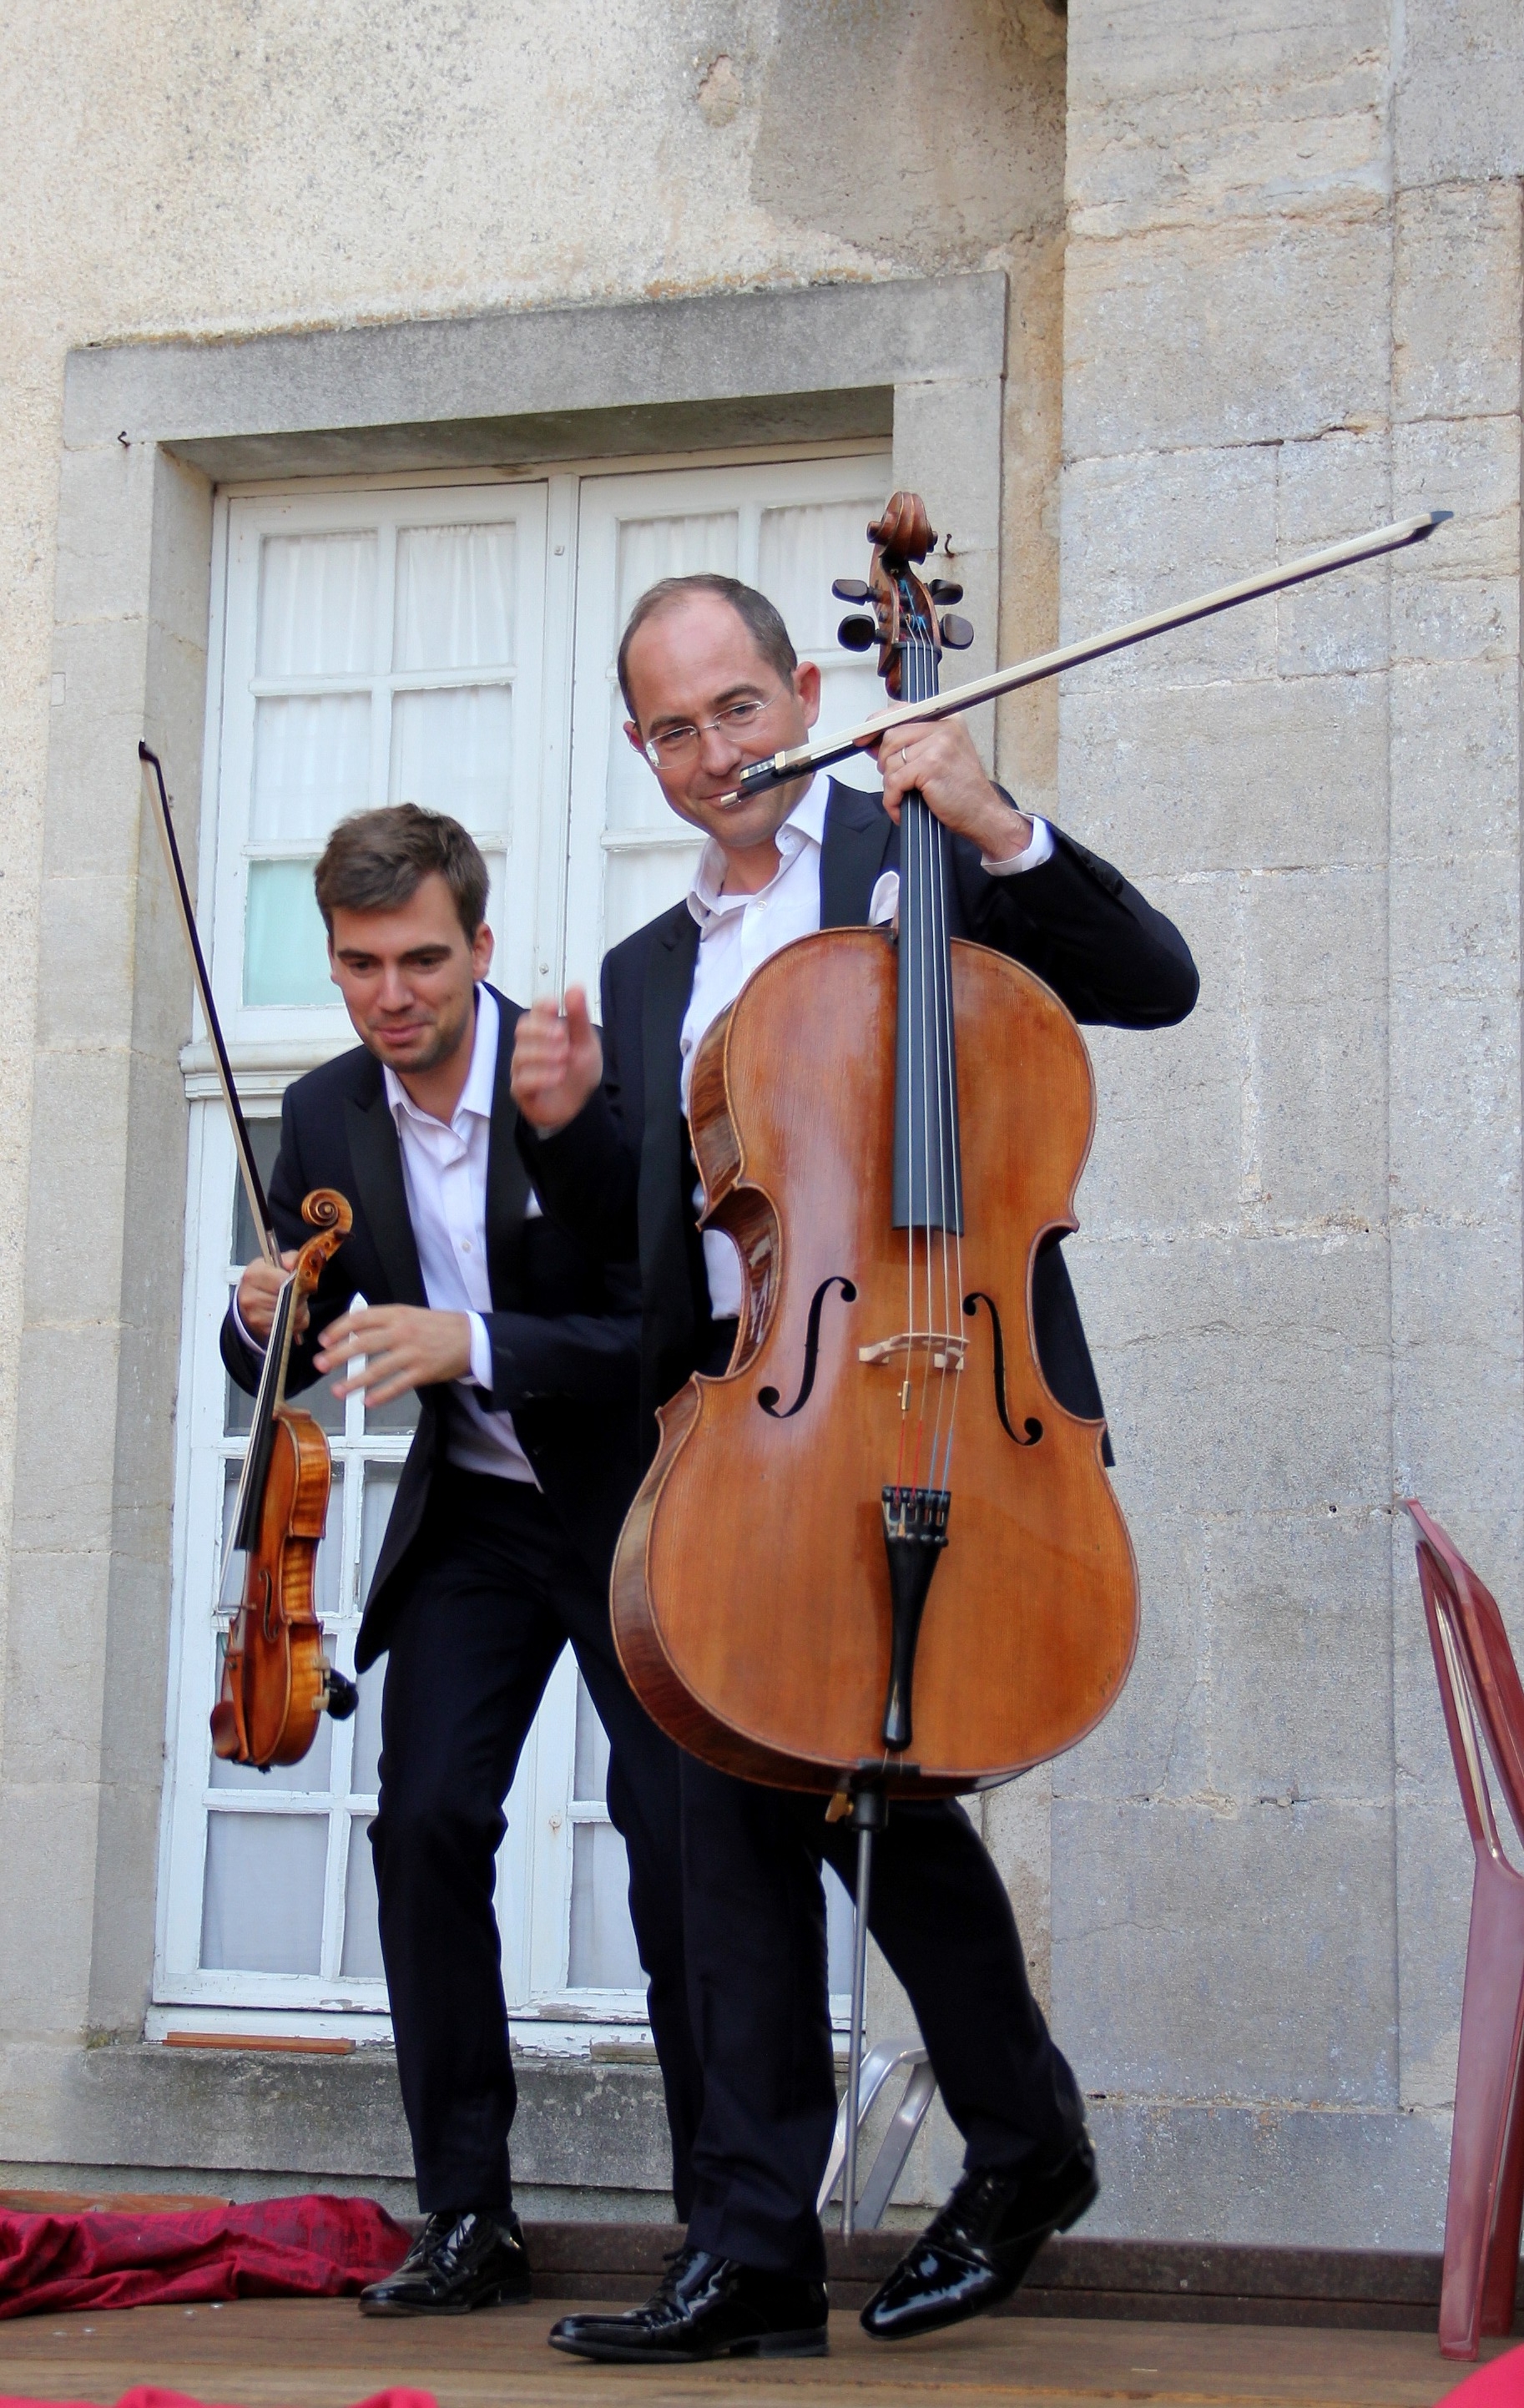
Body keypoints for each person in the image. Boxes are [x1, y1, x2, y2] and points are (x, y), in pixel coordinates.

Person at [509, 573, 1199, 2364]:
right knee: (741, 1780)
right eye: (671, 728)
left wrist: (994, 815)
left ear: (804, 682)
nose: (714, 754)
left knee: (871, 1781)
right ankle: (787, 2234)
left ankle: (957, 2165)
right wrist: (579, 1142)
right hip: (771, 1415)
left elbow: (1152, 984)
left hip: (954, 1394)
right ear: (640, 748)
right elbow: (683, 1252)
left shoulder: (911, 848)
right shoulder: (659, 967)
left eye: (739, 707)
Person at [221, 805, 702, 2316]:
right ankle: (467, 2213)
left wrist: (475, 1340)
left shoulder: (581, 1090)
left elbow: (664, 1332)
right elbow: (283, 1366)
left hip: (637, 1510)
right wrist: (261, 1320)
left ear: (479, 949)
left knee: (679, 1840)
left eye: (423, 958)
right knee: (423, 1821)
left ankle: (725, 2224)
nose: (392, 994)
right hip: (480, 1518)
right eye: (361, 964)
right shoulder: (320, 1118)